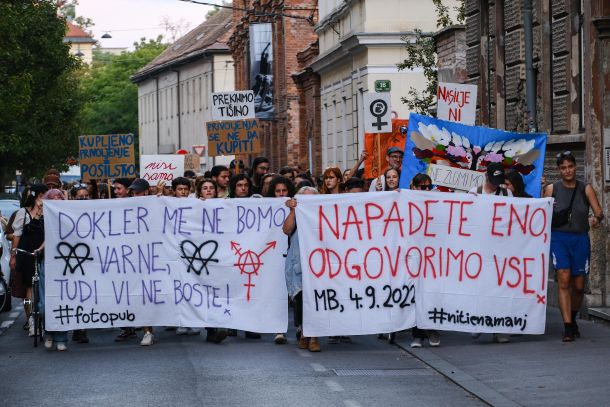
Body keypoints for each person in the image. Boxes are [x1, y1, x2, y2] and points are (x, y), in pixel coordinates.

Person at [543, 151, 604, 341]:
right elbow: (541, 213)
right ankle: (568, 326)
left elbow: (599, 212)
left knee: (578, 286)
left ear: (575, 167)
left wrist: (594, 220)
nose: (567, 171)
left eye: (570, 167)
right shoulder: (552, 189)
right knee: (564, 278)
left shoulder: (585, 189)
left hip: (580, 239)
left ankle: (574, 317)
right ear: (559, 170)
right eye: (563, 168)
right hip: (559, 238)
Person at [283, 186, 321, 352]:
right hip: (299, 263)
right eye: (304, 199)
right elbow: (286, 230)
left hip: (319, 264)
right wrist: (293, 211)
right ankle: (304, 332)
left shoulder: (322, 215)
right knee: (302, 299)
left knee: (316, 299)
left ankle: (313, 336)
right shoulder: (297, 214)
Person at [9, 183, 47, 337]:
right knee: (28, 288)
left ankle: (44, 319)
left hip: (44, 252)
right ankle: (31, 319)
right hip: (26, 253)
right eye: (43, 195)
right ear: (37, 196)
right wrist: (13, 255)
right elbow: (17, 235)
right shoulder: (22, 213)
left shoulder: (48, 212)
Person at [408, 174, 441, 348]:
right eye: (423, 187)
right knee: (415, 296)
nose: (427, 191)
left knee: (432, 295)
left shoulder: (438, 201)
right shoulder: (404, 200)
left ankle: (432, 329)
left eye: (429, 187)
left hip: (433, 258)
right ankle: (418, 334)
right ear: (413, 187)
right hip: (412, 258)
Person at [39, 189, 70, 351]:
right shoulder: (42, 218)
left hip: (65, 265)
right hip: (48, 263)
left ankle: (61, 337)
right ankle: (48, 331)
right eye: (53, 198)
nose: (57, 200)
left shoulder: (69, 217)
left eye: (60, 197)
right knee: (44, 304)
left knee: (62, 301)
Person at [266, 176, 295, 345]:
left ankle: (298, 328)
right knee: (276, 292)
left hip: (290, 253)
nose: (281, 194)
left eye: (284, 191)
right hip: (271, 256)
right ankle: (279, 330)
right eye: (278, 191)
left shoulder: (296, 206)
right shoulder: (266, 206)